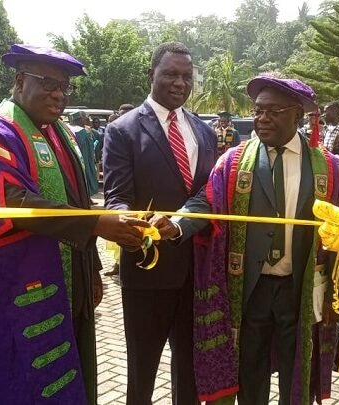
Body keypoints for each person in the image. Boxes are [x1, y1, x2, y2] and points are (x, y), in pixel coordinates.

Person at [0, 44, 148, 404]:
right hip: (16, 285)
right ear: (19, 81)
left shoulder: (60, 134)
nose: (59, 94)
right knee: (23, 379)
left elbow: (78, 201)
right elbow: (12, 202)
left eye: (64, 87)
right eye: (48, 83)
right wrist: (95, 223)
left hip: (70, 277)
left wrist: (91, 267)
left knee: (76, 369)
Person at [151, 76, 339, 404]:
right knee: (250, 371)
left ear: (298, 114)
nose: (262, 118)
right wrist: (177, 224)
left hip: (300, 287)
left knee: (296, 370)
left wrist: (338, 284)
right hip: (251, 288)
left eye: (273, 111)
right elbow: (207, 200)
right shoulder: (233, 161)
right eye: (257, 111)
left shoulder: (327, 166)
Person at [103, 42, 216, 405]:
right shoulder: (123, 130)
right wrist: (133, 223)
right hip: (146, 268)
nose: (180, 83)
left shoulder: (205, 131)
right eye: (170, 74)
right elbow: (116, 195)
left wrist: (180, 223)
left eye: (186, 76)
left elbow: (208, 194)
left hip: (196, 269)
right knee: (142, 368)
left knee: (191, 368)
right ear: (151, 75)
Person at [104, 103, 137, 278]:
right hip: (124, 214)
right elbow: (116, 190)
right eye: (120, 113)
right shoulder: (117, 131)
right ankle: (117, 264)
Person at [68, 111, 100, 196]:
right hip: (83, 160)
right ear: (81, 119)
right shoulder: (82, 132)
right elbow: (88, 152)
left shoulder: (66, 128)